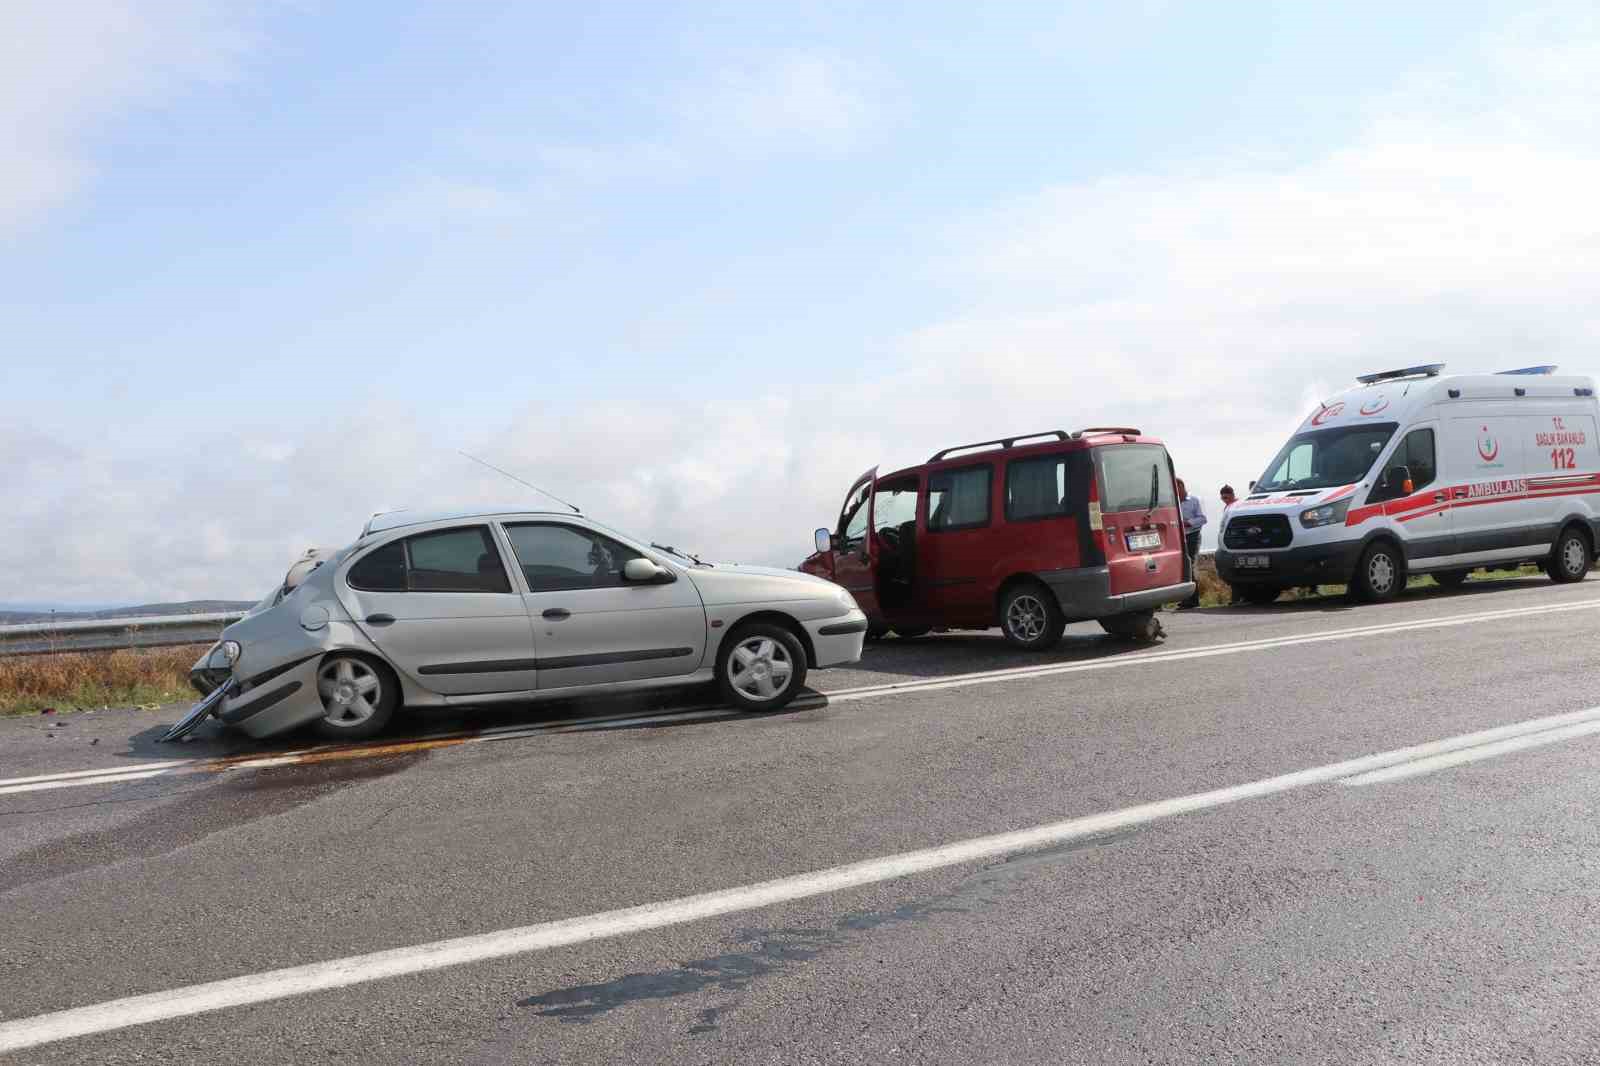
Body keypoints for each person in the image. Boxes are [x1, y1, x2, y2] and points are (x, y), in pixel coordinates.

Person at [1176, 477, 1205, 608]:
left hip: (1193, 535)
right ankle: (1186, 599)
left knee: (1190, 565)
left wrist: (1188, 523)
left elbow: (1203, 518)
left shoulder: (1195, 500)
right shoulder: (1174, 502)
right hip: (1179, 537)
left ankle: (1193, 600)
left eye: (1177, 487)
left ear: (1182, 486)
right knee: (1182, 566)